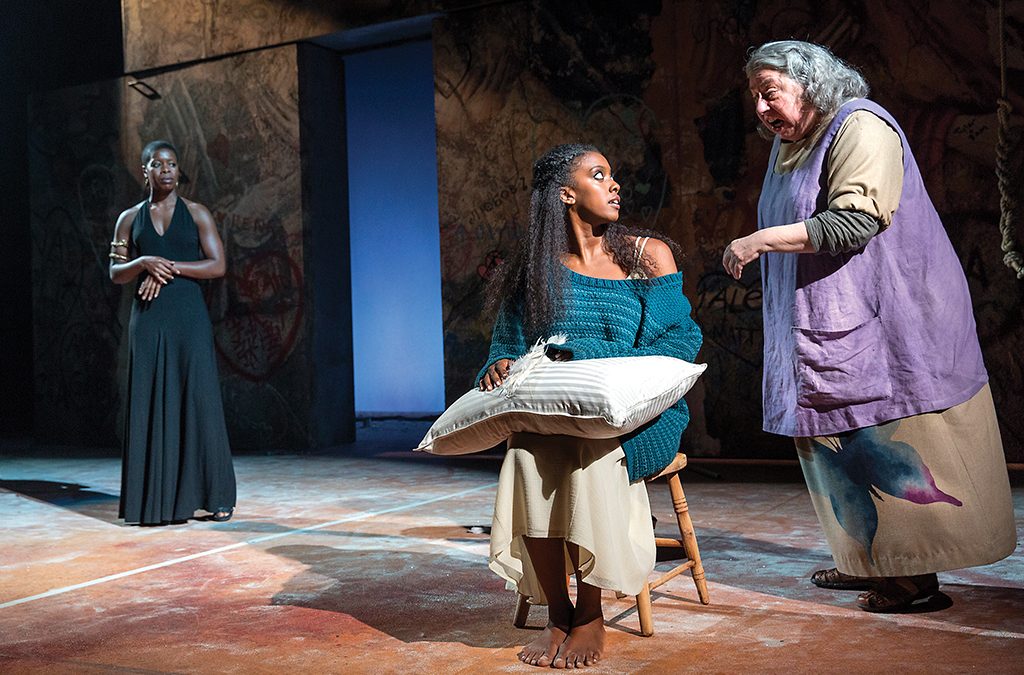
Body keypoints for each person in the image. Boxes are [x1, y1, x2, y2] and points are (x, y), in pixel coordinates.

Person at [723, 40, 1016, 612]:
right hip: (824, 319)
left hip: (890, 318)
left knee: (891, 444)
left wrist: (758, 240)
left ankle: (911, 579)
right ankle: (871, 560)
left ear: (812, 84)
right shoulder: (792, 144)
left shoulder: (860, 127)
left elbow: (855, 220)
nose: (759, 107)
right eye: (754, 95)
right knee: (835, 444)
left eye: (770, 92)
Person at [479, 143, 702, 667]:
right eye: (598, 175)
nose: (614, 184)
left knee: (588, 450)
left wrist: (583, 357)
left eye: (613, 175)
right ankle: (559, 611)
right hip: (556, 410)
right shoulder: (536, 269)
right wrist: (501, 364)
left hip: (639, 411)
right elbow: (507, 342)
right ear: (565, 193)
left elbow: (678, 342)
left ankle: (592, 611)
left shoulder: (646, 255)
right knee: (525, 452)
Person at [109, 140, 237, 526]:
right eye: (157, 163)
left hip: (188, 317)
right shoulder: (129, 219)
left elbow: (217, 266)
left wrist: (168, 268)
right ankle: (155, 502)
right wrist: (144, 261)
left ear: (179, 171)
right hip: (148, 318)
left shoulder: (197, 213)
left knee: (199, 401)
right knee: (150, 401)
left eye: (172, 164)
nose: (166, 169)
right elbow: (115, 273)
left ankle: (216, 496)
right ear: (144, 169)